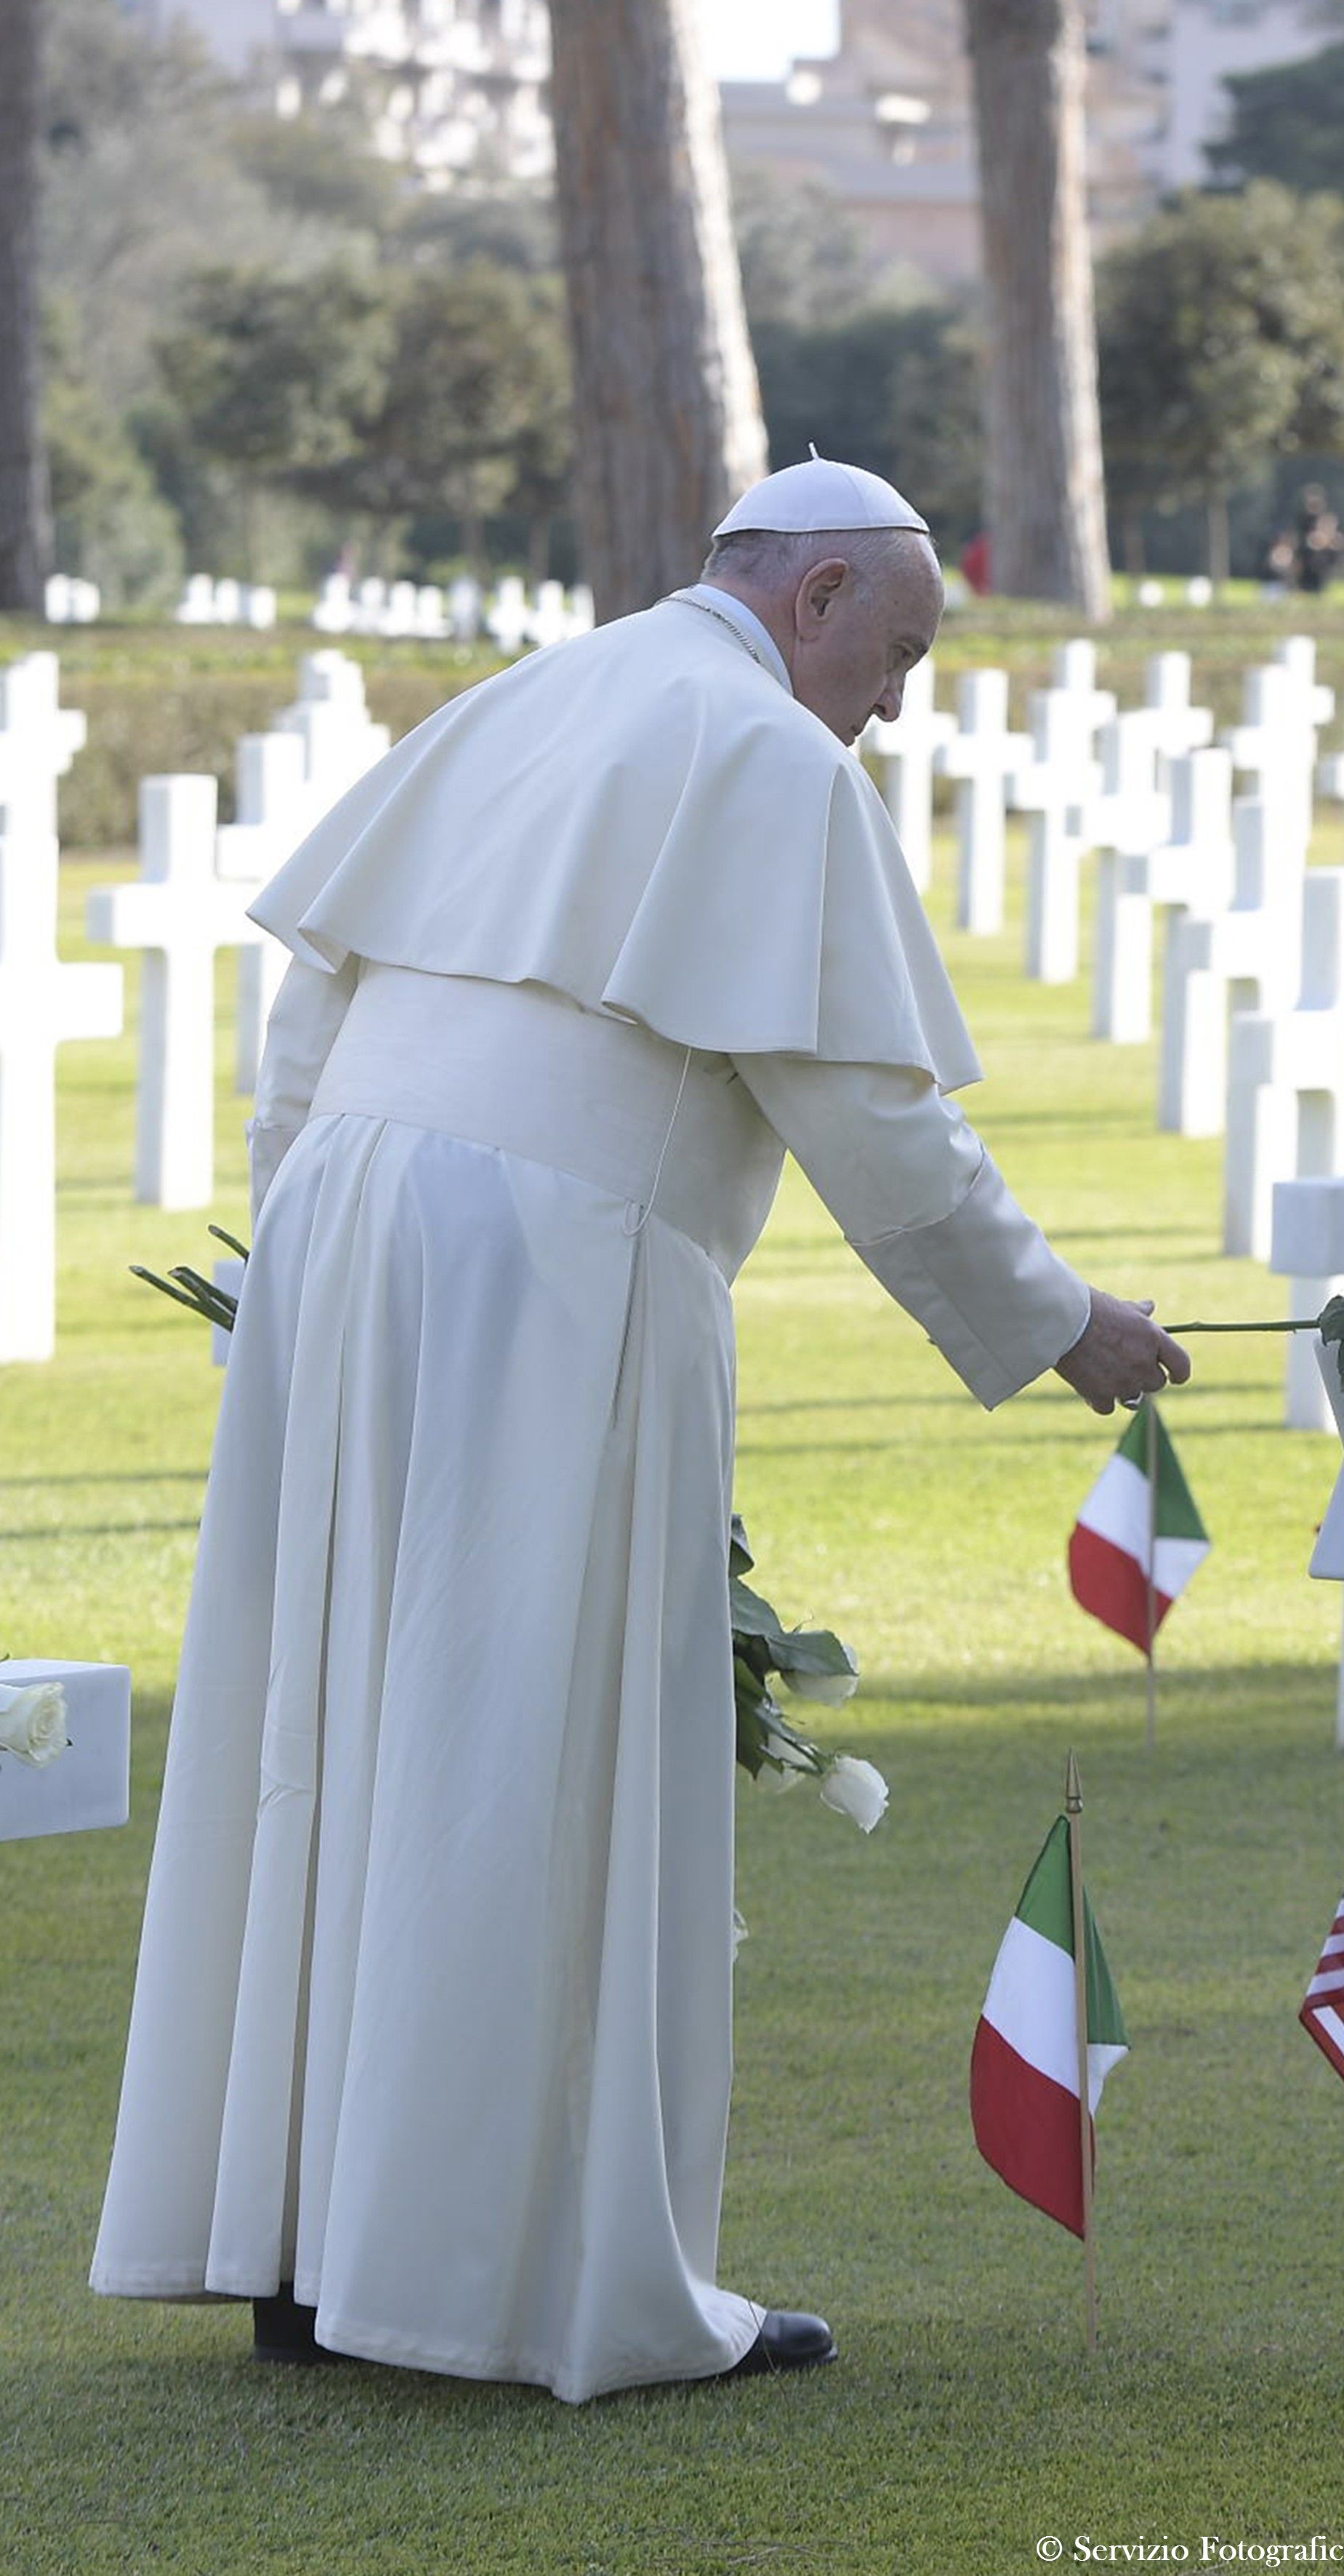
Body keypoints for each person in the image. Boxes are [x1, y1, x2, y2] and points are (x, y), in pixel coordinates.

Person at [90, 456, 1190, 2405]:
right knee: (520, 1741)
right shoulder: (765, 756)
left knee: (341, 1726)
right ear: (814, 595)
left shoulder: (532, 692)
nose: (893, 705)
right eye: (897, 654)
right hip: (552, 1260)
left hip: (346, 1215)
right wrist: (1060, 1321)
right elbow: (872, 1113)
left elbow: (314, 996)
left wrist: (305, 1253)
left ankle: (304, 2247)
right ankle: (499, 2283)